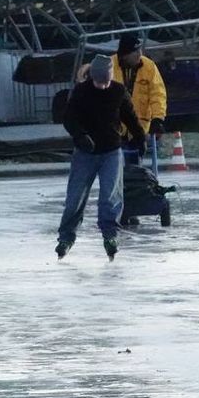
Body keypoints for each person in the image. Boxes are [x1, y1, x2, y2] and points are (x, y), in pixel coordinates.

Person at [56, 54, 145, 261]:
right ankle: (66, 238)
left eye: (106, 82)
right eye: (99, 82)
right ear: (92, 78)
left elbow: (130, 117)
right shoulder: (81, 92)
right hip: (85, 153)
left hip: (111, 152)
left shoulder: (118, 91)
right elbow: (69, 119)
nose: (103, 86)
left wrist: (140, 138)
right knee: (75, 198)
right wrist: (81, 136)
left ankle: (110, 236)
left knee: (110, 197)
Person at [112, 33, 166, 164]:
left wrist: (158, 118)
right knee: (115, 168)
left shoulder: (149, 66)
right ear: (124, 54)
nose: (139, 54)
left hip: (139, 128)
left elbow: (157, 93)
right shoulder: (110, 66)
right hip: (114, 128)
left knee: (135, 167)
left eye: (139, 50)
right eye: (134, 51)